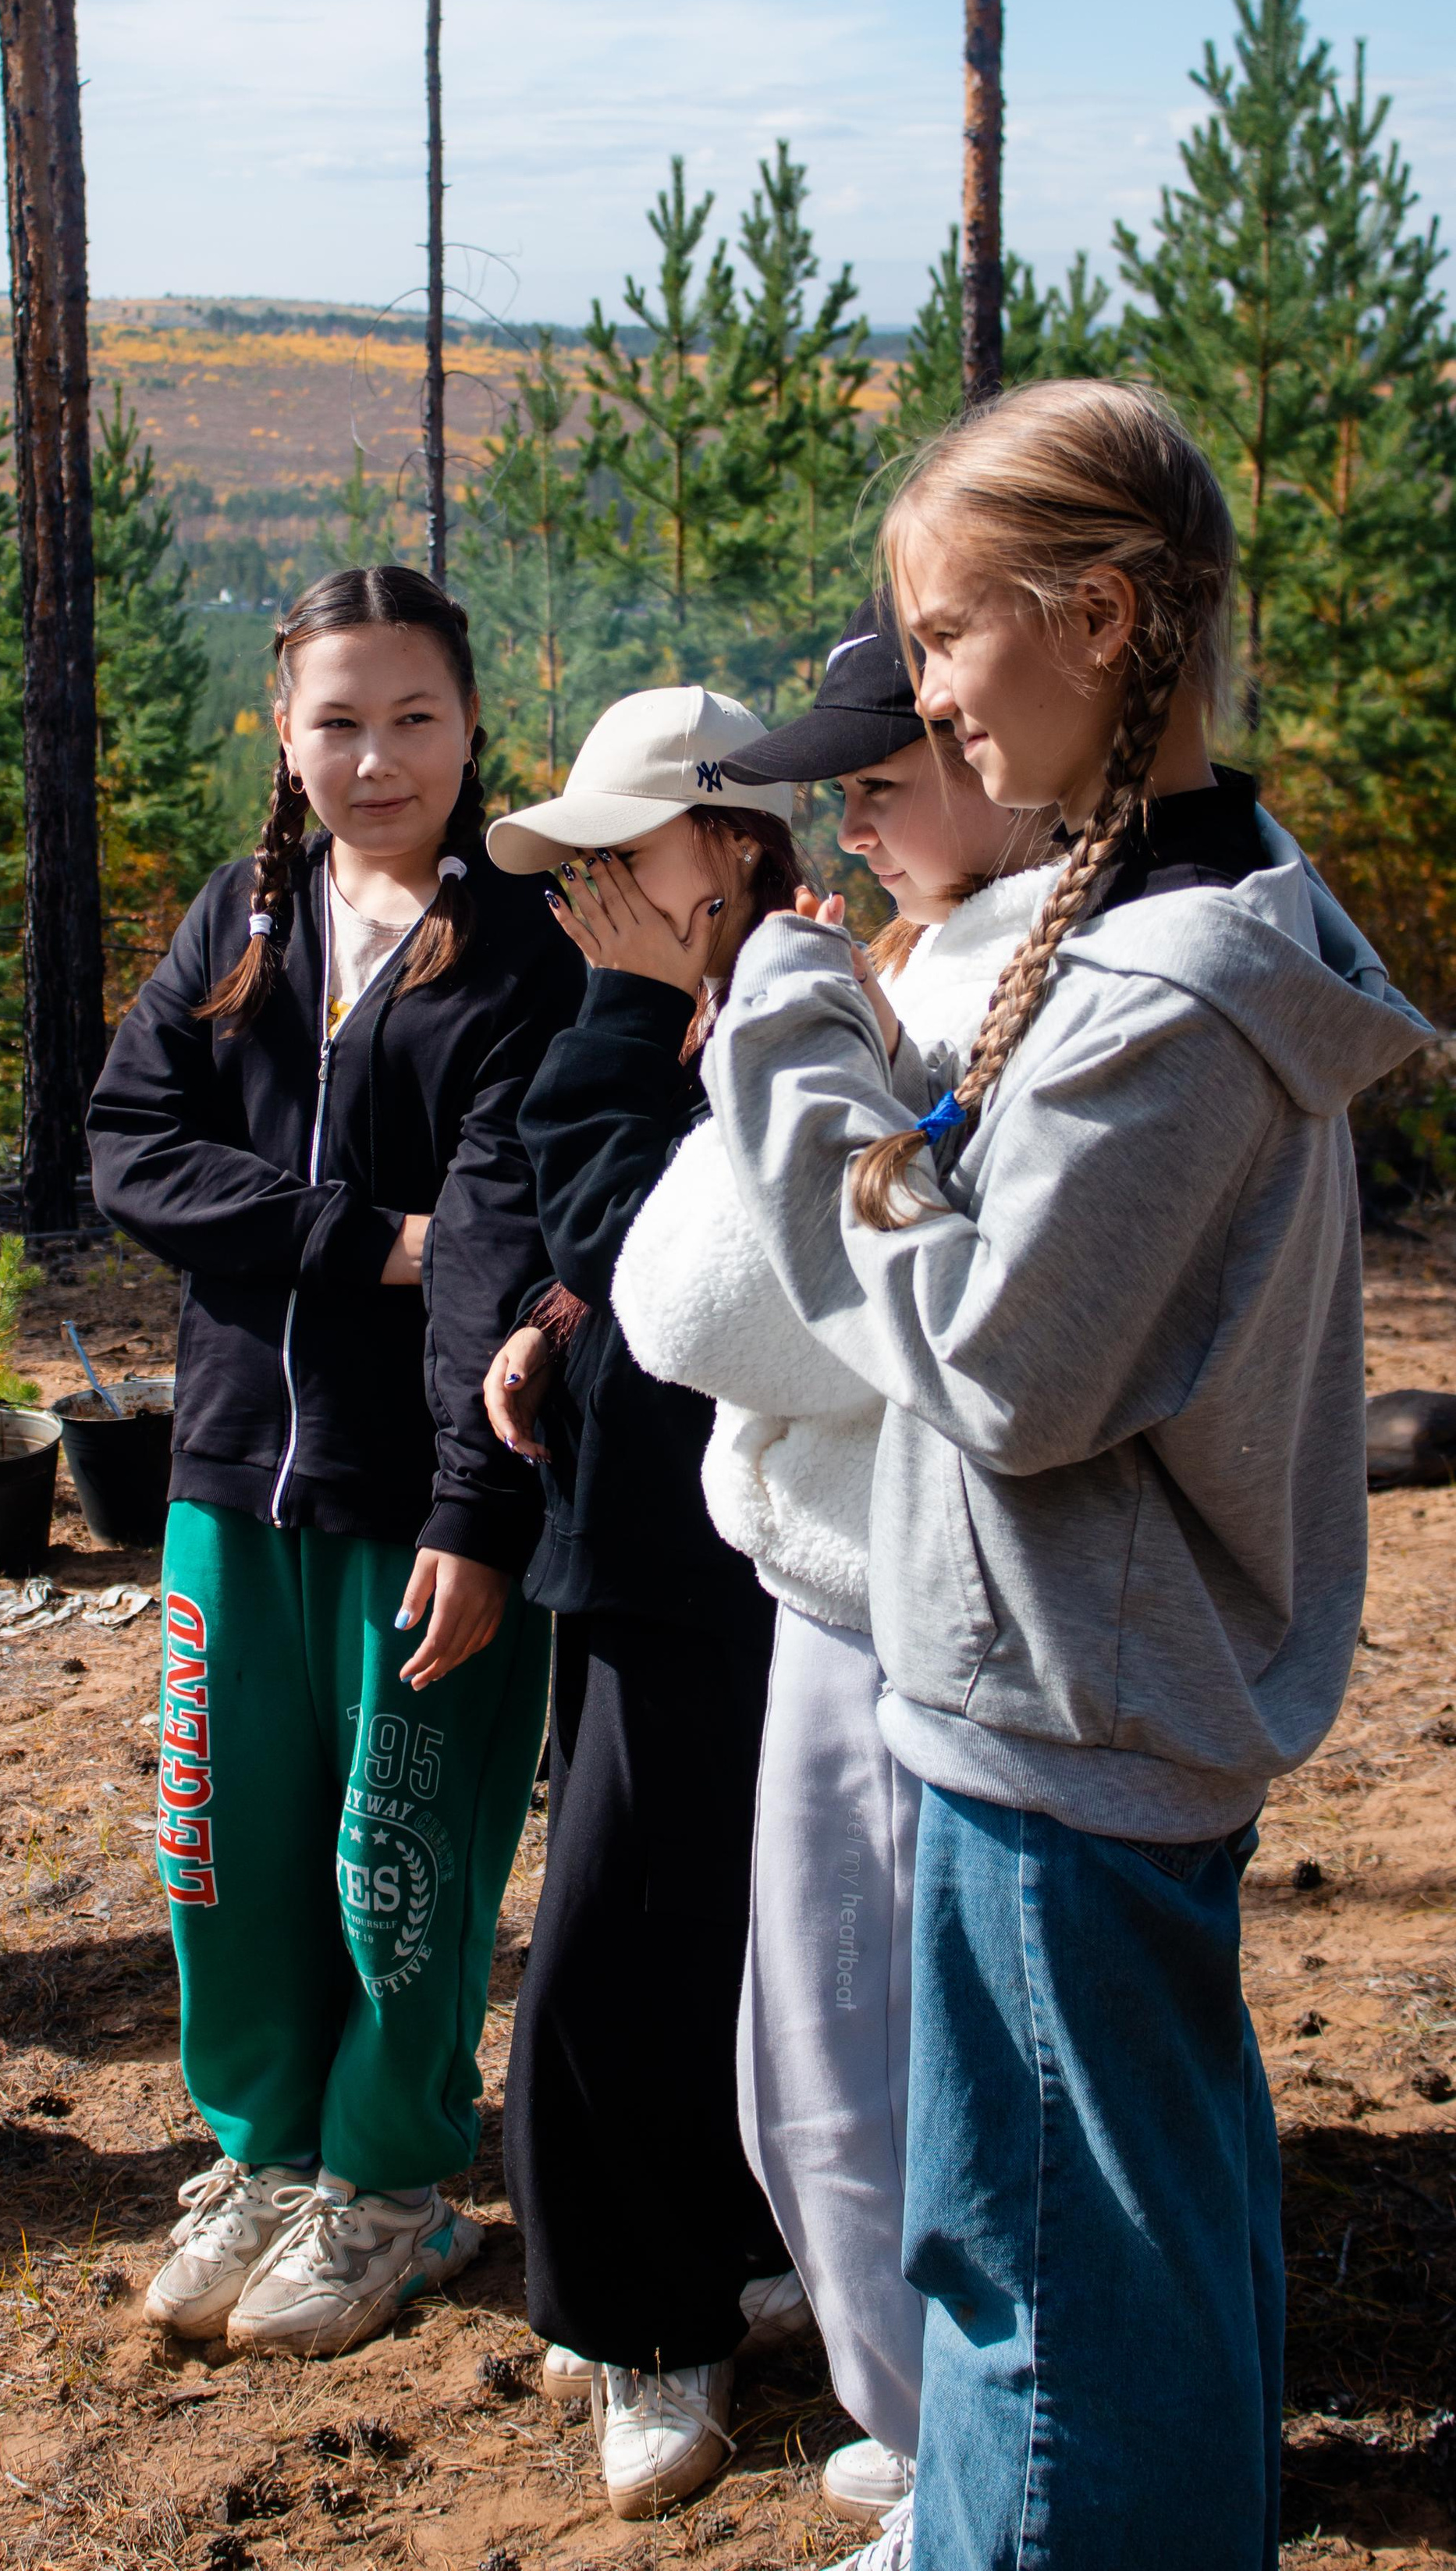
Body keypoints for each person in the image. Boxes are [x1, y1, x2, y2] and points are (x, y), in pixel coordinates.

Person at [700, 384, 1427, 2571]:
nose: (917, 693)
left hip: (1062, 1741)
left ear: (1104, 618)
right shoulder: (1156, 936)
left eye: (942, 636)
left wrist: (790, 1027)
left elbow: (999, 1365)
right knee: (1123, 2247)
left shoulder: (1173, 1002)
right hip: (1071, 1706)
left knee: (1037, 2291)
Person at [87, 565, 581, 2358]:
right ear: (282, 738)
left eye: (412, 718)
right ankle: (267, 2149)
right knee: (214, 1844)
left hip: (424, 1496)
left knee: (403, 1854)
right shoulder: (241, 915)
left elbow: (509, 1243)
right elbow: (128, 1147)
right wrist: (357, 1233)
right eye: (334, 721)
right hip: (230, 1472)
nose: (374, 758)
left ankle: (387, 2181)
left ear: (467, 726)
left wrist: (477, 1504)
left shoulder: (526, 946)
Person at [610, 607, 1055, 2534]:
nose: (849, 824)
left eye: (879, 781)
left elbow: (734, 1301)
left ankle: (962, 2465)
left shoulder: (999, 981)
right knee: (818, 2052)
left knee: (886, 2069)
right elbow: (696, 1284)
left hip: (915, 1608)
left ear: (991, 753)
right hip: (838, 1582)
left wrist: (780, 1096)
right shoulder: (914, 955)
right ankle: (928, 2425)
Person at [477, 687, 815, 2520]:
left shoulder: (795, 1004)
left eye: (624, 850)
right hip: (642, 1535)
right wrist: (550, 1318)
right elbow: (613, 1251)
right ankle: (632, 2301)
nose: (586, 889)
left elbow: (675, 1235)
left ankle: (695, 2268)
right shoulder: (691, 1006)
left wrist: (613, 1023)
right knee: (628, 1914)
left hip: (744, 1548)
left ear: (734, 850)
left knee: (706, 1921)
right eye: (575, 860)